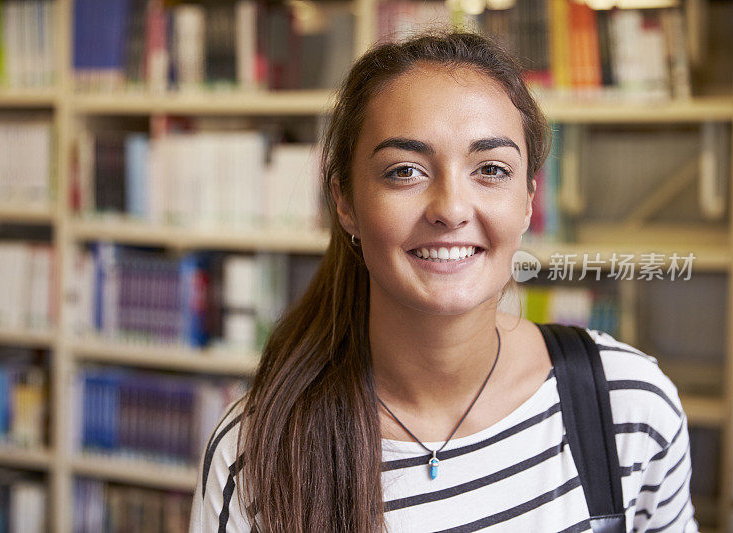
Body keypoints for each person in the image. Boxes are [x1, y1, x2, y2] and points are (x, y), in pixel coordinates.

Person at [190, 30, 697, 532]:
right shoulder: (254, 453)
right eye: (405, 171)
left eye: (492, 169)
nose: (451, 209)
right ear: (345, 203)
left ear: (527, 202)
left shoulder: (628, 407)